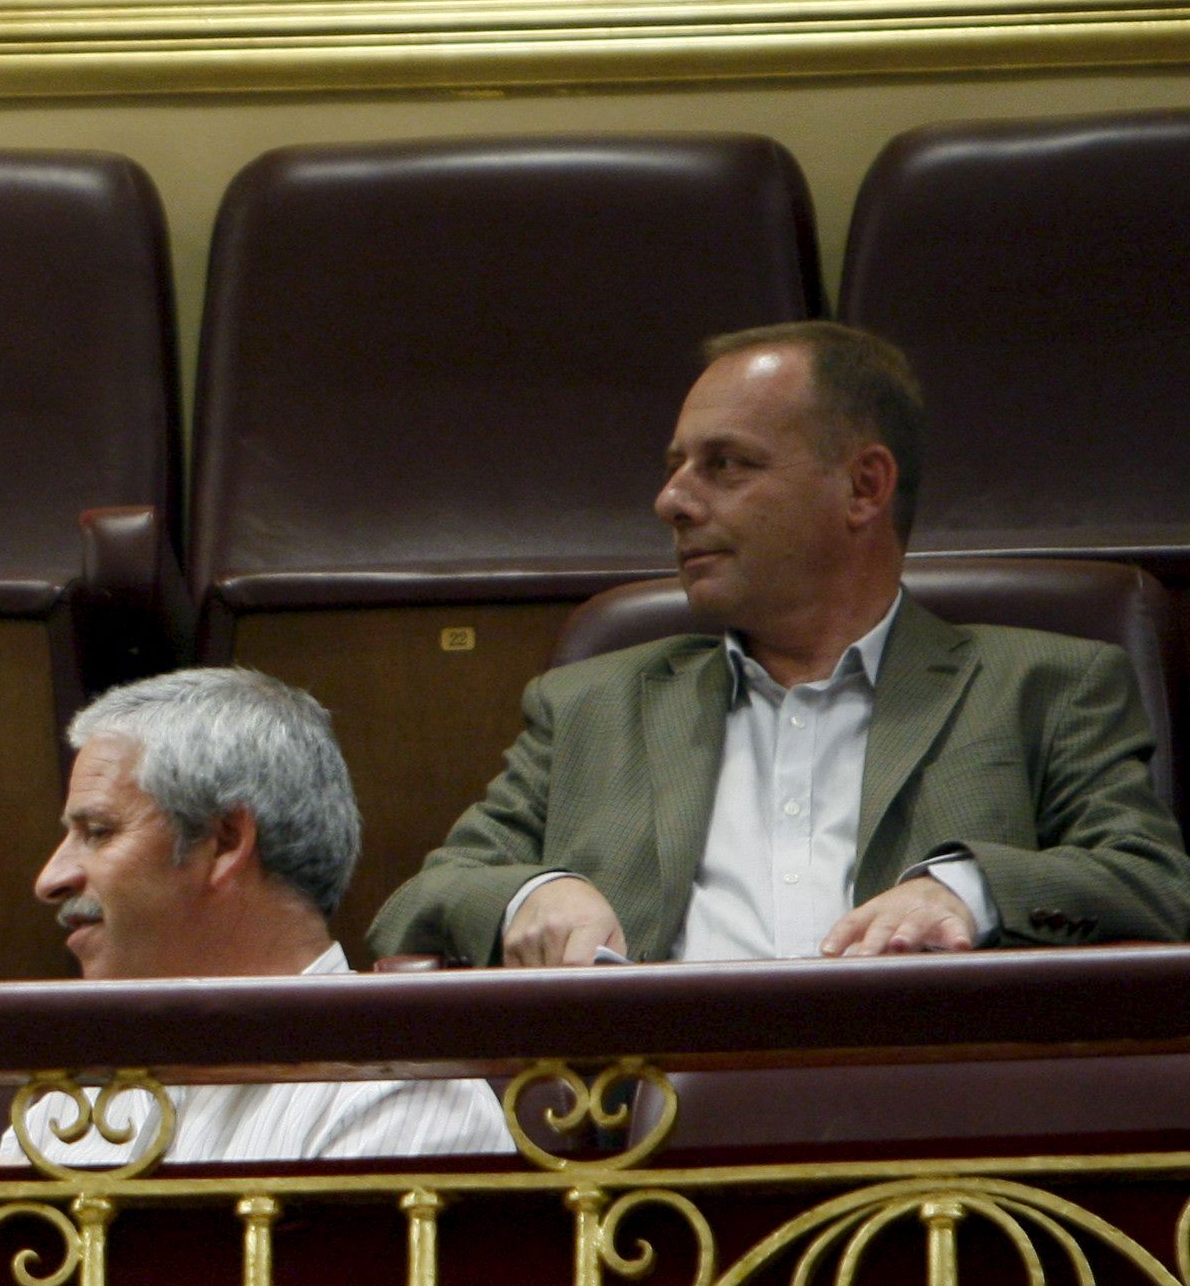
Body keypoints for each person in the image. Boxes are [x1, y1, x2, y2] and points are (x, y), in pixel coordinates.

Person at [367, 321, 1190, 968]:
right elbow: (420, 902)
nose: (671, 500)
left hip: (935, 1110)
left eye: (725, 464)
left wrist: (966, 893)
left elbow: (1156, 884)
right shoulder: (591, 704)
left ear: (863, 487)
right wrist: (534, 895)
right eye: (675, 465)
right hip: (641, 1113)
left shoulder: (1044, 683)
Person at [0, 668, 504, 1168]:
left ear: (226, 842)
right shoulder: (73, 1098)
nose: (50, 879)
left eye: (98, 832)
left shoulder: (397, 1096)